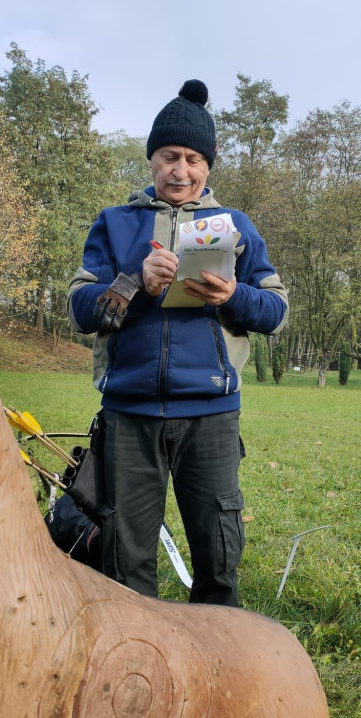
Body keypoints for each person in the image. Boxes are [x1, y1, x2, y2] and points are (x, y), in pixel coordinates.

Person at [67, 80, 288, 606]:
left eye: (192, 159)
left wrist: (233, 296)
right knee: (126, 554)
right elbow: (80, 308)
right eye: (169, 156)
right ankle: (136, 654)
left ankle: (218, 650)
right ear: (151, 160)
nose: (180, 171)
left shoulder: (234, 226)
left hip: (210, 412)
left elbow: (276, 312)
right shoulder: (115, 224)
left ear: (208, 165)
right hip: (129, 413)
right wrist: (133, 284)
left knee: (218, 550)